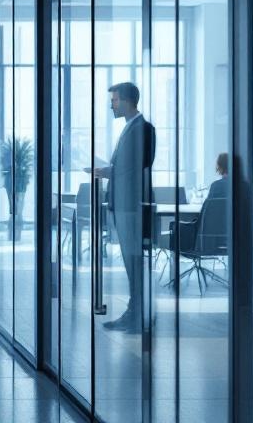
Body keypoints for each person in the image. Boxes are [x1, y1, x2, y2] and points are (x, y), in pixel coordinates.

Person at [93, 82, 155, 334]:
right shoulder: (131, 128)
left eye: (115, 100)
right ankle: (136, 311)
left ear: (129, 101)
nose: (111, 105)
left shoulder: (143, 129)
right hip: (124, 204)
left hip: (133, 204)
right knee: (131, 261)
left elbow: (137, 166)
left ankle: (138, 313)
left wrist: (108, 171)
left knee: (134, 260)